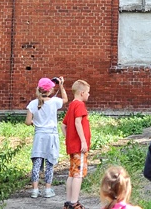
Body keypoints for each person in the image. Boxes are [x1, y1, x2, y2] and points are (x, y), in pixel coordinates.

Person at [26, 76, 68, 198]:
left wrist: (35, 122)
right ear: (50, 90)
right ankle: (48, 190)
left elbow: (28, 122)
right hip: (51, 136)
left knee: (37, 163)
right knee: (50, 163)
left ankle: (34, 190)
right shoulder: (54, 102)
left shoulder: (33, 104)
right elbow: (65, 99)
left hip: (39, 136)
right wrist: (61, 85)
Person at [62, 80, 91, 209]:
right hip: (79, 146)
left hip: (73, 145)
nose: (89, 95)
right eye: (88, 93)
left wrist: (69, 138)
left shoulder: (72, 105)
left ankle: (68, 202)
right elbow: (78, 123)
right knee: (78, 175)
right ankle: (74, 203)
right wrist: (83, 141)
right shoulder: (79, 105)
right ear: (82, 93)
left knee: (71, 174)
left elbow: (64, 125)